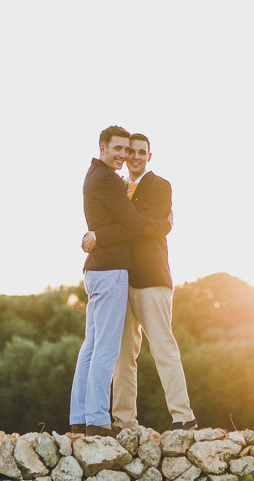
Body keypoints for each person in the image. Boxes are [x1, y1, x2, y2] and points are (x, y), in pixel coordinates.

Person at [83, 133, 197, 431]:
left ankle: (183, 417)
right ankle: (124, 421)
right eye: (130, 151)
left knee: (163, 347)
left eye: (141, 152)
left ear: (150, 156)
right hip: (121, 281)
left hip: (151, 280)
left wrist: (101, 236)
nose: (134, 156)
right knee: (123, 355)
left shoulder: (160, 186)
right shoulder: (117, 186)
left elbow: (141, 228)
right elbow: (129, 224)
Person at [69, 125, 173, 437]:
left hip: (97, 270)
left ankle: (79, 416)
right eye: (117, 149)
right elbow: (133, 225)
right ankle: (99, 420)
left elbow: (118, 223)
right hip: (111, 271)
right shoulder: (108, 181)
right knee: (107, 349)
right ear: (102, 147)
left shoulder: (93, 175)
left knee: (90, 346)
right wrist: (163, 225)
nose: (123, 155)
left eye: (126, 150)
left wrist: (98, 236)